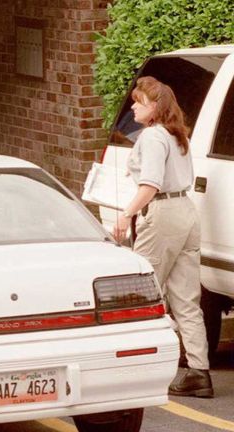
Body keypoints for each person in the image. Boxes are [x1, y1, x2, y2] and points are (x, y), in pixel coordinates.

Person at [111, 76, 212, 398]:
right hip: (185, 211)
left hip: (163, 214)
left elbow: (151, 184)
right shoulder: (175, 133)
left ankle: (138, 367)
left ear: (154, 107)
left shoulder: (154, 136)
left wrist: (126, 214)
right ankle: (199, 371)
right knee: (186, 298)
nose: (133, 106)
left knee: (142, 293)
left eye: (138, 101)